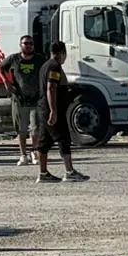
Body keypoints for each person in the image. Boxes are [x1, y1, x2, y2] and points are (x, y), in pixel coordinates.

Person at [36, 41, 88, 184]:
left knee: (44, 142)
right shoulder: (54, 66)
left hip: (43, 109)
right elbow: (51, 88)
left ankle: (43, 173)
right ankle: (69, 171)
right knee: (63, 138)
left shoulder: (45, 66)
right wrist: (53, 111)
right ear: (62, 53)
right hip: (52, 109)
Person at [1, 35, 45, 166]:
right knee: (21, 129)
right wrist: (5, 80)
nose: (29, 45)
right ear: (21, 45)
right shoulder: (14, 59)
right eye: (26, 43)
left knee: (36, 127)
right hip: (20, 99)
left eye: (31, 43)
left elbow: (48, 71)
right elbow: (0, 66)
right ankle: (23, 155)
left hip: (36, 98)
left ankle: (35, 151)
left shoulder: (39, 59)